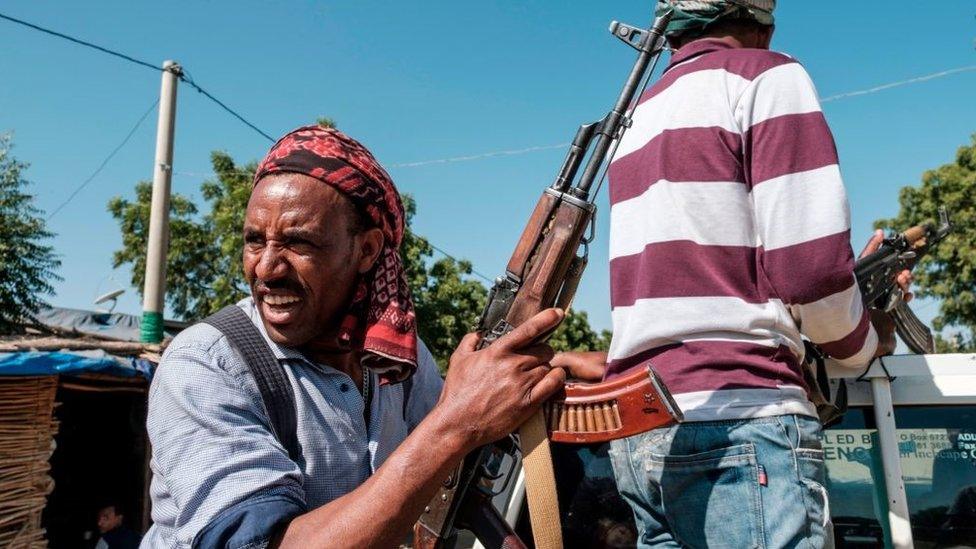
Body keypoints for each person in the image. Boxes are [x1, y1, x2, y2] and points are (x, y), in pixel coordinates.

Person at [552, 1, 913, 547]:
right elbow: (811, 273)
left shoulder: (639, 116)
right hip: (741, 421)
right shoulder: (768, 75)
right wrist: (864, 343)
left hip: (641, 433)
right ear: (761, 22)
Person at [141, 125, 568, 548]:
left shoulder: (400, 362)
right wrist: (455, 423)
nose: (267, 269)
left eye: (298, 243)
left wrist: (542, 372)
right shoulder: (206, 365)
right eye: (255, 241)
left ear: (365, 251)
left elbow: (456, 469)